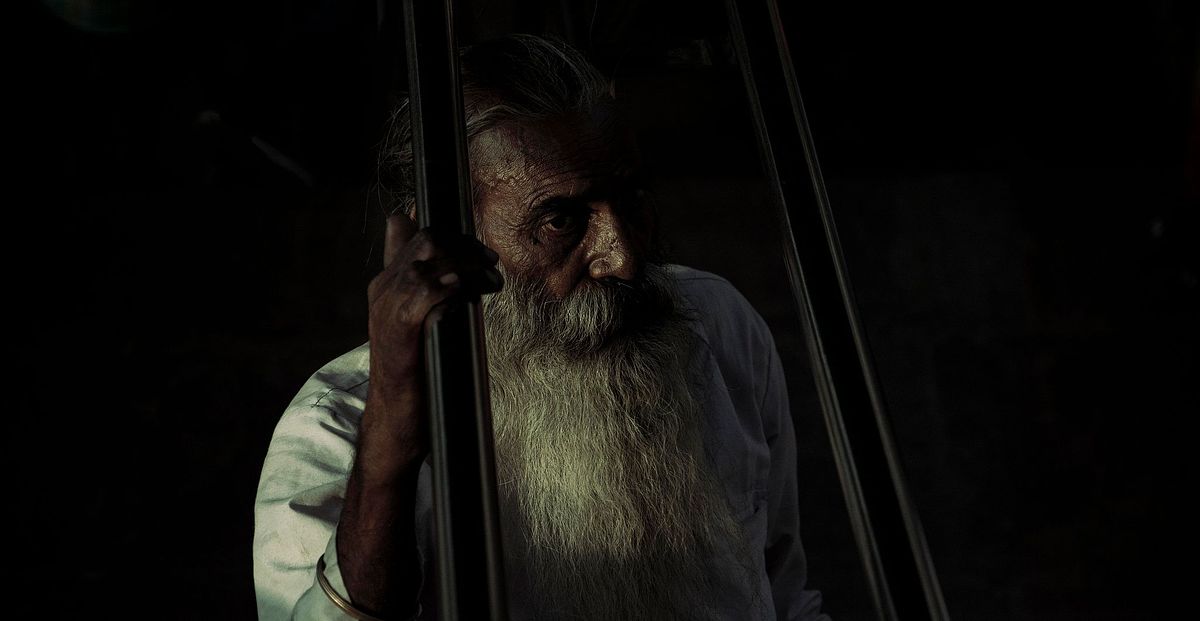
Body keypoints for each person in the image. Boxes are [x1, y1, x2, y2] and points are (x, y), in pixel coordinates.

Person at [253, 34, 829, 621]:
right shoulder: (333, 426)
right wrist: (389, 452)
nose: (623, 258)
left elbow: (779, 587)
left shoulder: (716, 324)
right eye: (560, 219)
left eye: (631, 201)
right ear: (444, 235)